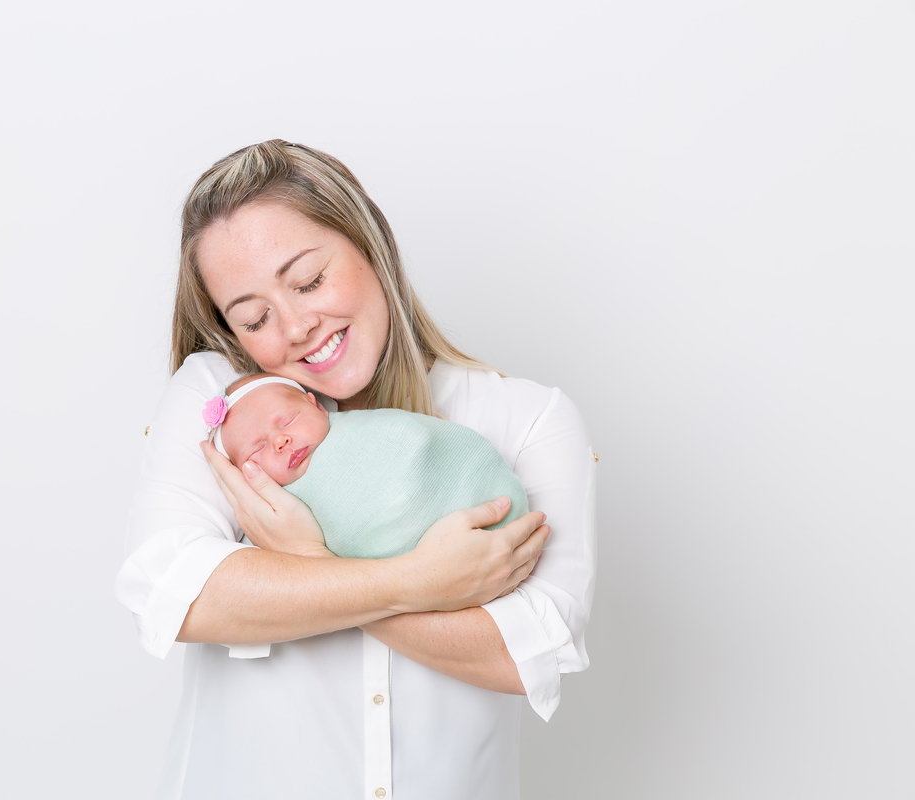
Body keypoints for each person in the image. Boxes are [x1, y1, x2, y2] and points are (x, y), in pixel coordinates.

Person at [115, 140, 597, 800]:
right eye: (254, 317)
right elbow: (176, 590)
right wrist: (420, 580)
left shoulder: (526, 419)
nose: (295, 327)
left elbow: (526, 654)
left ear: (372, 244)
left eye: (308, 281)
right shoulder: (227, 414)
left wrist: (303, 559)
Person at [207, 372, 530, 559]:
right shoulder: (279, 514)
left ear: (315, 405)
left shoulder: (364, 427)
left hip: (479, 498)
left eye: (288, 420)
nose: (280, 441)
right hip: (412, 571)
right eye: (257, 449)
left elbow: (414, 438)